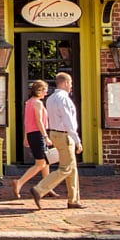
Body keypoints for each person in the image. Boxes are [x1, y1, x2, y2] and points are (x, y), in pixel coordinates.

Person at [30, 72, 87, 210]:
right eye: (71, 83)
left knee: (72, 168)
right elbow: (69, 121)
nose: (71, 86)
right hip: (64, 135)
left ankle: (73, 200)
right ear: (66, 83)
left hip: (54, 133)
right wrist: (77, 140)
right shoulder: (64, 99)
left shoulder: (50, 99)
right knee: (66, 168)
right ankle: (40, 189)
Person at [12, 80, 60, 199]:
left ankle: (47, 187)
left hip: (32, 134)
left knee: (46, 161)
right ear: (39, 91)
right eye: (44, 90)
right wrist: (45, 137)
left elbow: (27, 122)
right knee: (40, 163)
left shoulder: (28, 102)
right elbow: (39, 121)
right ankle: (20, 182)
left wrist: (25, 136)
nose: (46, 93)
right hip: (38, 135)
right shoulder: (37, 103)